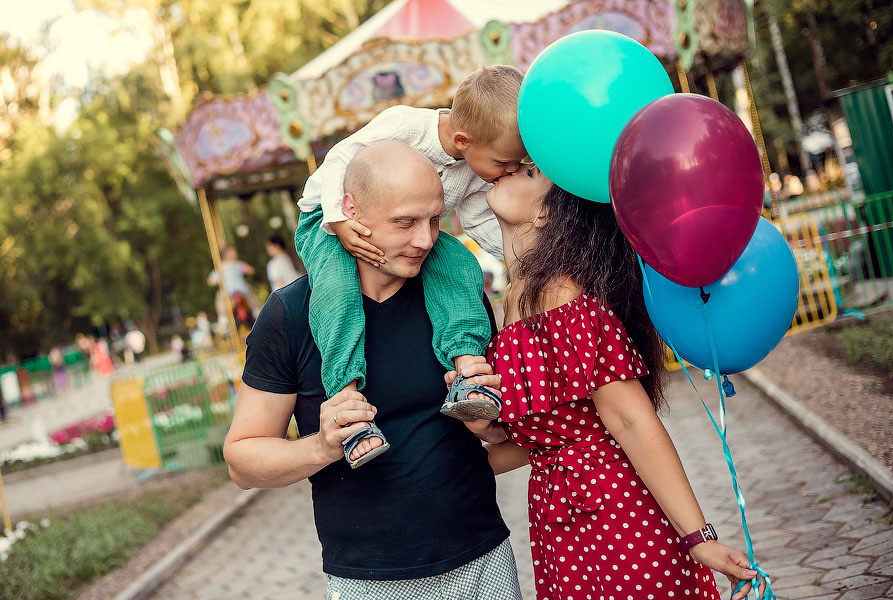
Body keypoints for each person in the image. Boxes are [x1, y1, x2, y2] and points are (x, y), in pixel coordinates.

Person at [224, 141, 521, 599]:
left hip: (483, 560)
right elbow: (242, 460)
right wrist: (322, 448)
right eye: (404, 223)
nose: (425, 239)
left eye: (434, 220)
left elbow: (505, 437)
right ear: (349, 211)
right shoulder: (290, 314)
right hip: (367, 581)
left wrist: (493, 425)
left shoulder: (457, 299)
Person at [463, 164, 766, 600]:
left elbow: (629, 421)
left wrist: (700, 539)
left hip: (615, 516)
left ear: (548, 213)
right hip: (557, 523)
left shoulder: (563, 295)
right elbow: (547, 440)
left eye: (525, 172)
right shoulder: (512, 298)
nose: (504, 173)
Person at [294, 65, 528, 450]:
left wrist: (524, 260)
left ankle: (468, 371)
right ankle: (346, 402)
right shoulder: (406, 125)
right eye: (505, 163)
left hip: (412, 233)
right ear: (463, 139)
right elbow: (340, 158)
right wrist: (338, 218)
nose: (512, 171)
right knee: (337, 288)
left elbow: (478, 220)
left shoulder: (473, 168)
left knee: (459, 265)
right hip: (328, 215)